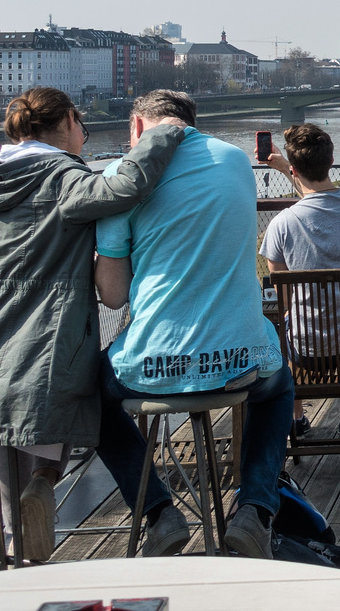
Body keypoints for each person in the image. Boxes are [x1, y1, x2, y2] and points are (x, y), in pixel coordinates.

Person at [0, 89, 184, 561]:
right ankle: (48, 481)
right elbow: (127, 186)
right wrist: (167, 132)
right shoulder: (63, 177)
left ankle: (15, 545)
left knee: (0, 412)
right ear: (71, 121)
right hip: (42, 348)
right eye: (83, 128)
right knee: (65, 382)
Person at [93, 90, 291, 559]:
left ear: (139, 128)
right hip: (241, 364)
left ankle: (158, 513)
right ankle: (256, 509)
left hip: (152, 369)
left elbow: (114, 295)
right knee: (279, 386)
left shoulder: (119, 176)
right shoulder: (236, 161)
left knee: (87, 394)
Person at [260, 124, 340, 439]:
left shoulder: (280, 225)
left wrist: (288, 170)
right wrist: (290, 169)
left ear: (296, 169)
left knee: (278, 328)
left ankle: (297, 417)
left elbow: (281, 300)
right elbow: (320, 199)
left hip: (309, 350)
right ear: (332, 160)